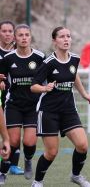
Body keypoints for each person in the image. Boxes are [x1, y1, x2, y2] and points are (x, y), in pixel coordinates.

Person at [30, 26, 90, 187]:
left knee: (82, 145)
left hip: (68, 110)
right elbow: (33, 86)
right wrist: (45, 88)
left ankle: (76, 175)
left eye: (68, 36)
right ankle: (37, 181)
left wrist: (84, 93)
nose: (66, 39)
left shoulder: (74, 59)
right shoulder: (48, 62)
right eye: (62, 37)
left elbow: (74, 75)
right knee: (51, 152)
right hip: (49, 112)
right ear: (54, 41)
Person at [0, 24, 45, 184]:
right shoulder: (8, 58)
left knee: (29, 142)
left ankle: (27, 160)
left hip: (33, 105)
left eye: (27, 34)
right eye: (20, 35)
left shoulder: (40, 57)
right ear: (15, 38)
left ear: (30, 37)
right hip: (13, 105)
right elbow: (2, 77)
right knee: (12, 141)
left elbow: (48, 76)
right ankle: (3, 172)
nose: (24, 37)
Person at [0, 20, 24, 175]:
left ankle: (12, 164)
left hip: (13, 99)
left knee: (13, 133)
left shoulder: (20, 51)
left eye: (10, 31)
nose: (7, 34)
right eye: (4, 31)